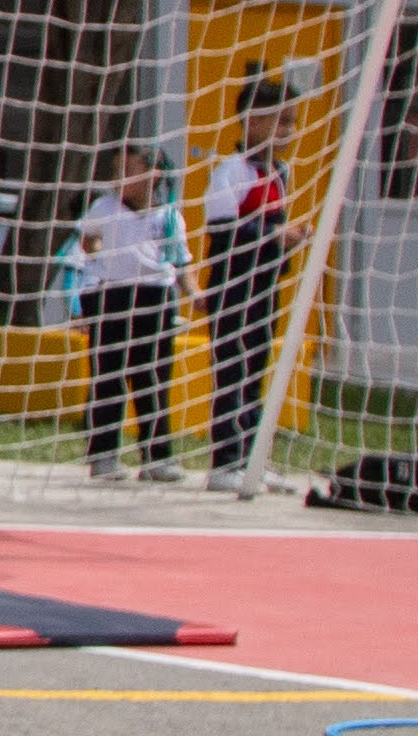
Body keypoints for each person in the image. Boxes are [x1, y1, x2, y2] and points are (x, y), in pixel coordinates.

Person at [199, 74, 302, 495]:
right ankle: (225, 462)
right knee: (232, 371)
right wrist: (274, 237)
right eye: (282, 122)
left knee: (256, 371)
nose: (291, 132)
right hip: (232, 288)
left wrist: (287, 248)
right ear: (252, 122)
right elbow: (222, 233)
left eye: (293, 122)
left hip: (264, 289)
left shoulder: (278, 172)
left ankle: (252, 458)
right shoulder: (231, 171)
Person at [68, 144, 187, 484]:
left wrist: (194, 293)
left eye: (129, 170)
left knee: (152, 377)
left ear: (154, 175)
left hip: (156, 297)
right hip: (111, 294)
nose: (119, 179)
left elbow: (180, 261)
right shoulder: (104, 207)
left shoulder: (168, 215)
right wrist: (93, 253)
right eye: (116, 171)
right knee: (109, 376)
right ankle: (103, 455)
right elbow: (87, 239)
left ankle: (157, 457)